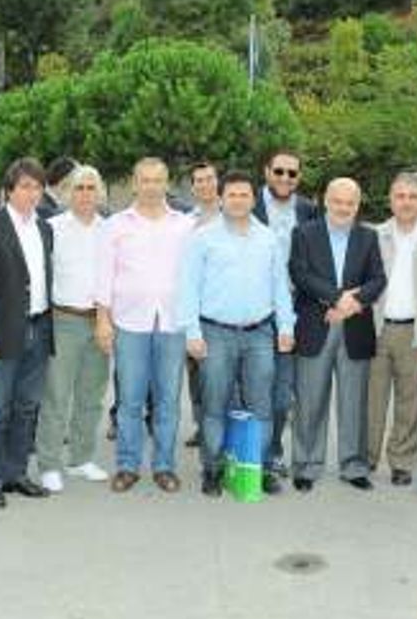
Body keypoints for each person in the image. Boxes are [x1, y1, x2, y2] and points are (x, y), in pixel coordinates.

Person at [181, 170, 296, 497]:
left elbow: (280, 287)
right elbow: (188, 287)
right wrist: (192, 332)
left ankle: (259, 468)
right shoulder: (203, 237)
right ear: (221, 198)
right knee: (214, 405)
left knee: (262, 406)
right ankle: (213, 469)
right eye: (231, 194)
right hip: (215, 333)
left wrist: (285, 326)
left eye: (244, 194)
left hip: (259, 334)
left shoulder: (268, 238)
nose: (238, 200)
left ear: (253, 198)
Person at [95, 157, 194, 493]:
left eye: (157, 180)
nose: (151, 186)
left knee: (168, 400)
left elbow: (193, 278)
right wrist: (103, 320)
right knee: (130, 400)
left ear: (167, 184)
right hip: (129, 323)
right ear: (135, 184)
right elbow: (103, 276)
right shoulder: (115, 225)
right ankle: (127, 465)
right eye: (145, 180)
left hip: (172, 323)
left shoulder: (185, 226)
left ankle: (164, 466)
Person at [0, 158, 55, 509]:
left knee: (27, 407)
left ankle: (16, 473)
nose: (32, 193)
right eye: (25, 187)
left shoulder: (45, 228)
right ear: (9, 190)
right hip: (2, 334)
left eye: (37, 187)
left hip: (40, 327)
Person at [288, 178, 385, 492]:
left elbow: (378, 279)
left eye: (350, 203)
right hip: (315, 325)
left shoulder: (368, 236)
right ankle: (306, 465)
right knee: (310, 401)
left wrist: (352, 304)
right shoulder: (304, 234)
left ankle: (353, 465)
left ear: (358, 205)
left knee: (353, 401)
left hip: (355, 327)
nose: (344, 208)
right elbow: (300, 273)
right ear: (325, 201)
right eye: (338, 201)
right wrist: (336, 298)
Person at [368, 172, 417, 486]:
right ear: (391, 200)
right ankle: (367, 457)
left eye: (413, 197)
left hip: (416, 331)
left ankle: (402, 462)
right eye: (400, 196)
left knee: (410, 402)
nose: (406, 202)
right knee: (371, 399)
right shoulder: (375, 236)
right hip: (377, 329)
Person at [37, 165, 111, 493]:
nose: (85, 194)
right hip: (63, 320)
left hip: (100, 320)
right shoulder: (52, 228)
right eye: (79, 188)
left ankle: (81, 459)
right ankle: (49, 464)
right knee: (56, 396)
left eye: (91, 188)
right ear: (68, 192)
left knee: (91, 395)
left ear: (100, 193)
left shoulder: (109, 230)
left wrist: (108, 321)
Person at [253, 149, 317, 477]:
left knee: (281, 393)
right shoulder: (246, 203)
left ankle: (274, 450)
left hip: (293, 311)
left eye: (292, 173)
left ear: (299, 177)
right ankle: (244, 453)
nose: (285, 178)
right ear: (266, 171)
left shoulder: (308, 210)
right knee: (249, 389)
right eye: (278, 171)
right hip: (252, 311)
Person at [184, 161, 221, 448]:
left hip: (225, 308)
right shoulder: (185, 222)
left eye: (209, 178)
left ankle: (224, 427)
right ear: (193, 187)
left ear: (217, 181)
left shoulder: (234, 212)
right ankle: (201, 425)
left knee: (226, 375)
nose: (205, 184)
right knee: (196, 373)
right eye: (199, 180)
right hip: (195, 309)